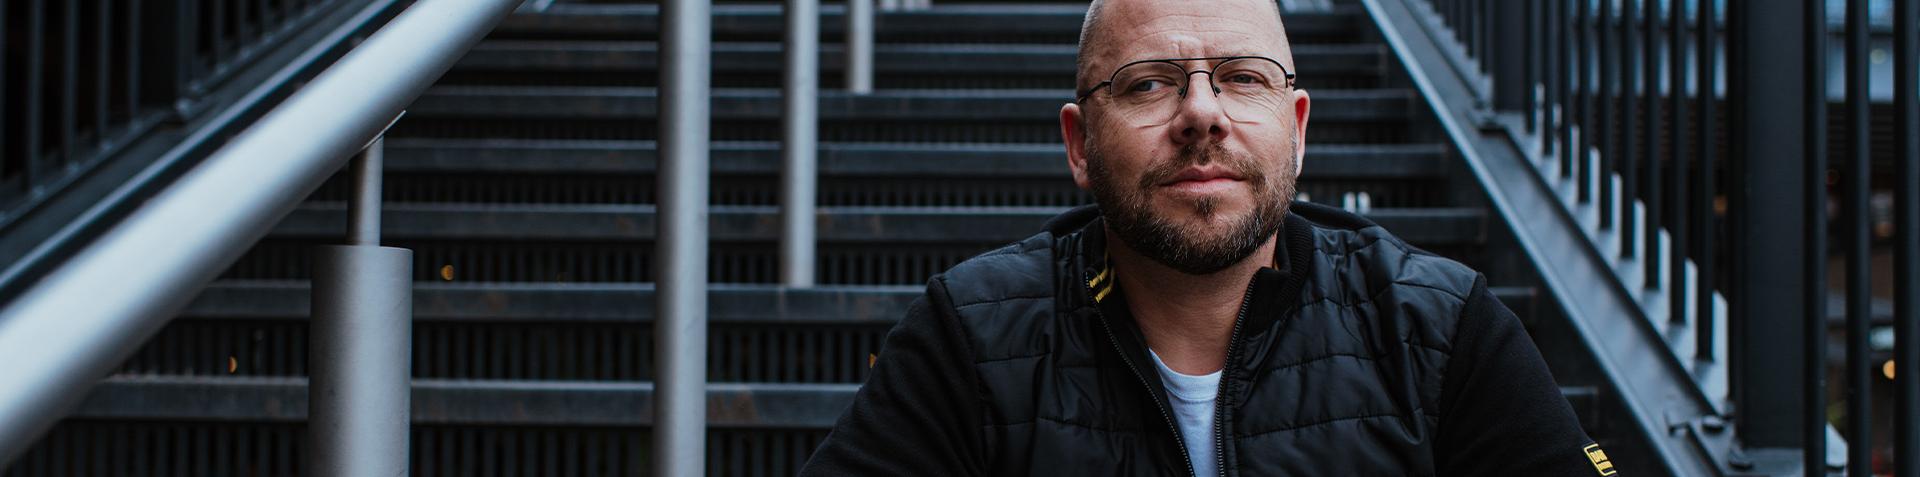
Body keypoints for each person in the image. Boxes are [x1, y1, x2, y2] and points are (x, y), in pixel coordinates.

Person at [799, 0, 1605, 474]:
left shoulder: (1439, 325)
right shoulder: (971, 336)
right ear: (1079, 145)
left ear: (1297, 130)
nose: (1202, 113)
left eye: (1244, 78)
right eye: (1147, 83)